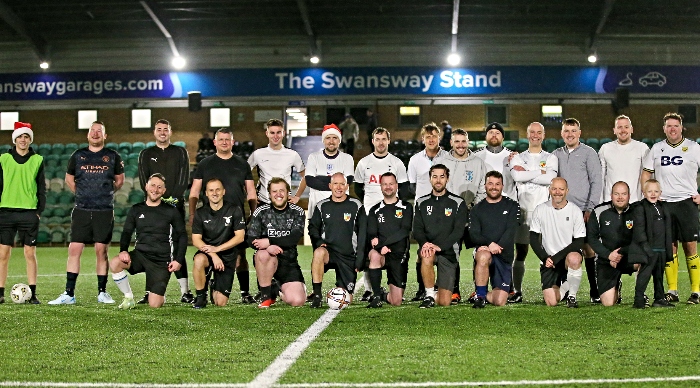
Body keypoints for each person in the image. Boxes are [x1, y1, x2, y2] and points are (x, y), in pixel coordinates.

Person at [49, 121, 124, 305]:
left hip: (104, 210)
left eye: (99, 131)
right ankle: (69, 293)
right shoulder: (78, 155)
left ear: (105, 136)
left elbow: (120, 181)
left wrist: (104, 193)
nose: (95, 133)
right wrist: (83, 194)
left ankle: (102, 292)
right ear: (88, 135)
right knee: (74, 249)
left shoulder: (112, 156)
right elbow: (69, 179)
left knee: (101, 251)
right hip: (82, 209)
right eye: (93, 131)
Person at [190, 128, 257, 304]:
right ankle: (204, 289)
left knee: (240, 256)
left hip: (235, 216)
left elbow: (250, 192)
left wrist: (253, 213)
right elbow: (194, 192)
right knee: (205, 250)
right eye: (221, 139)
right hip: (211, 219)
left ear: (232, 142)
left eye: (227, 139)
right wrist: (191, 213)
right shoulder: (205, 163)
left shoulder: (242, 164)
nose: (224, 142)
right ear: (215, 142)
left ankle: (244, 292)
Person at [641, 112, 700, 304]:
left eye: (676, 126)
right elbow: (646, 173)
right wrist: (646, 192)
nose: (672, 129)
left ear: (682, 127)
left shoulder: (693, 147)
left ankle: (696, 292)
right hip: (664, 203)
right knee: (669, 246)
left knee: (690, 245)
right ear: (664, 128)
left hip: (686, 202)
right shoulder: (657, 149)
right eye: (668, 126)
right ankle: (672, 290)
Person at [108, 174, 187, 309]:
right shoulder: (136, 209)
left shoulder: (171, 211)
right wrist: (123, 250)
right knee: (115, 263)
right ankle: (128, 297)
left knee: (154, 304)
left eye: (159, 187)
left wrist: (178, 260)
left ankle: (158, 293)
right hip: (141, 255)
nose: (155, 189)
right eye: (152, 185)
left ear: (163, 191)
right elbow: (127, 232)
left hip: (161, 260)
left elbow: (182, 235)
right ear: (146, 187)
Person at [136, 119, 192, 304]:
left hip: (175, 205)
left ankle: (185, 291)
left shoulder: (180, 152)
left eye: (165, 129)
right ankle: (149, 292)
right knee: (151, 247)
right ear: (154, 132)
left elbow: (184, 178)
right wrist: (155, 199)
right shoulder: (146, 154)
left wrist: (172, 198)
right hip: (152, 206)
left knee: (177, 245)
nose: (162, 132)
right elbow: (144, 179)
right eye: (159, 129)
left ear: (170, 132)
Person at [433, 128, 487, 304]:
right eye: (457, 141)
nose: (461, 145)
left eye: (463, 141)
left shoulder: (477, 162)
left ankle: (478, 291)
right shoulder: (441, 161)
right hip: (449, 215)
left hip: (473, 213)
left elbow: (482, 187)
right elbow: (437, 185)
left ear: (468, 142)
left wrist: (475, 206)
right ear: (451, 143)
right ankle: (454, 291)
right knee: (451, 252)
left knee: (479, 252)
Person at [354, 127, 409, 300]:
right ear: (372, 141)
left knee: (398, 250)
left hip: (393, 214)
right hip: (371, 214)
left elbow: (405, 188)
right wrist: (371, 203)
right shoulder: (364, 163)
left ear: (388, 141)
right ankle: (370, 289)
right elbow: (357, 188)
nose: (380, 142)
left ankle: (399, 286)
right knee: (371, 251)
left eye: (383, 139)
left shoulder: (397, 162)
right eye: (377, 139)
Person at [552, 118, 603, 303]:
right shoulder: (555, 154)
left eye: (573, 131)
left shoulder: (589, 153)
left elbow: (597, 182)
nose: (570, 134)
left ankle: (595, 291)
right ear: (562, 133)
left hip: (583, 211)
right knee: (564, 249)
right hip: (563, 211)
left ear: (579, 133)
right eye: (567, 131)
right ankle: (564, 289)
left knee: (589, 250)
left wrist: (590, 208)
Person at [509, 122, 558, 303]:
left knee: (546, 253)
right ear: (527, 135)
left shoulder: (551, 157)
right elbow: (517, 177)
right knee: (520, 252)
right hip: (522, 212)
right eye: (532, 132)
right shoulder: (518, 157)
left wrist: (528, 173)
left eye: (539, 132)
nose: (535, 136)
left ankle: (549, 289)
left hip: (543, 213)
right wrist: (540, 172)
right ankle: (517, 291)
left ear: (543, 135)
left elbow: (551, 179)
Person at [0, 122, 45, 304]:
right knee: (3, 254)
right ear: (15, 139)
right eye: (20, 136)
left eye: (26, 137)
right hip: (6, 212)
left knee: (29, 253)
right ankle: (0, 292)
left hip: (29, 212)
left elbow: (41, 188)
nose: (23, 140)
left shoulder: (38, 160)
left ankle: (32, 293)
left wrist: (38, 211)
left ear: (30, 140)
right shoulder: (3, 159)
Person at [413, 164, 469, 308]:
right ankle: (429, 295)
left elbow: (458, 232)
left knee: (444, 302)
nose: (438, 180)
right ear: (430, 179)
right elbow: (417, 229)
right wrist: (425, 243)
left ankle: (437, 294)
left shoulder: (458, 202)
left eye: (442, 176)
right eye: (435, 176)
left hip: (448, 252)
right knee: (426, 254)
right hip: (429, 250)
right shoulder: (421, 202)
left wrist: (440, 246)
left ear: (447, 179)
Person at [247, 177, 307, 308]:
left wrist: (269, 242)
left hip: (289, 263)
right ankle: (266, 296)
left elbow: (294, 238)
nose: (278, 194)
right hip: (267, 260)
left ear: (287, 193)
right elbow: (250, 239)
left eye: (282, 191)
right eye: (274, 191)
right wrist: (268, 248)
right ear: (269, 194)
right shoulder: (261, 212)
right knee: (262, 255)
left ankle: (277, 289)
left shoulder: (297, 212)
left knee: (298, 301)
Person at [308, 173, 366, 308]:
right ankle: (317, 296)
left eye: (342, 184)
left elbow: (363, 232)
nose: (338, 187)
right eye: (335, 184)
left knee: (346, 299)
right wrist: (317, 241)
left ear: (347, 186)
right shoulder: (322, 206)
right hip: (329, 252)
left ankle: (339, 288)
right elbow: (313, 227)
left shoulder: (356, 205)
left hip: (348, 256)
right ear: (330, 186)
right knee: (318, 253)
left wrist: (360, 258)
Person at [529, 177, 585, 308]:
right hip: (549, 261)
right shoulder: (540, 209)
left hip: (565, 259)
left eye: (561, 189)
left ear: (567, 191)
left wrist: (556, 258)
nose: (557, 192)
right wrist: (545, 258)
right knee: (551, 302)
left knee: (574, 258)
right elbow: (533, 238)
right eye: (554, 188)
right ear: (549, 190)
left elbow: (579, 242)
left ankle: (572, 296)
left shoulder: (575, 211)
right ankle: (567, 285)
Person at [191, 178, 246, 308]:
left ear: (223, 192)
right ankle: (201, 296)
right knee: (198, 259)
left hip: (227, 256)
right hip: (208, 254)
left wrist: (218, 249)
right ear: (206, 193)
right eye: (211, 190)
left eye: (217, 190)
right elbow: (196, 240)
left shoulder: (234, 210)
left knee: (220, 303)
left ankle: (213, 284)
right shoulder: (200, 213)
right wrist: (213, 254)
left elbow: (240, 237)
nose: (214, 193)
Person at [468, 171, 520, 308]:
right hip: (486, 251)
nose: (494, 187)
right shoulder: (477, 209)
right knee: (483, 256)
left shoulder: (512, 206)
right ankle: (480, 296)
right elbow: (473, 234)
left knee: (500, 301)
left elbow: (511, 230)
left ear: (502, 186)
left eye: (497, 184)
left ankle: (484, 294)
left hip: (504, 255)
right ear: (485, 186)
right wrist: (489, 245)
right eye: (490, 184)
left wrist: (498, 246)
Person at [365, 172, 413, 308]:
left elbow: (404, 231)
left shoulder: (407, 207)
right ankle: (376, 296)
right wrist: (380, 248)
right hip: (381, 253)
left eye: (391, 184)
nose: (388, 187)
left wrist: (383, 244)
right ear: (381, 187)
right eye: (385, 184)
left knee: (396, 301)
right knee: (374, 255)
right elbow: (372, 235)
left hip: (399, 255)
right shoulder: (375, 210)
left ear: (396, 186)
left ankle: (383, 295)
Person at [587, 181, 638, 307]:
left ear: (629, 196)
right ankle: (616, 284)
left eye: (623, 194)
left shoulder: (637, 212)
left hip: (629, 257)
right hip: (606, 261)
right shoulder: (599, 211)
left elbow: (641, 239)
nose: (620, 197)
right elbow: (592, 238)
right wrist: (608, 255)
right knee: (608, 303)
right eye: (617, 194)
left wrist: (621, 252)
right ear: (611, 195)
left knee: (645, 259)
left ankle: (640, 295)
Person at [628, 179, 674, 308]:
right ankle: (638, 300)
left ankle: (659, 298)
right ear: (643, 192)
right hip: (649, 249)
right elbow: (639, 230)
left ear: (660, 192)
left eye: (656, 191)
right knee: (645, 274)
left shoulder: (663, 207)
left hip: (661, 248)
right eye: (649, 191)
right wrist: (646, 248)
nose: (653, 194)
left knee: (659, 275)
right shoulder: (640, 208)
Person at [248, 119, 306, 205]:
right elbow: (244, 174)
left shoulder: (292, 154)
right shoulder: (258, 154)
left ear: (283, 133)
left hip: (285, 203)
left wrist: (297, 196)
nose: (275, 136)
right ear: (267, 134)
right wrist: (251, 194)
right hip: (263, 203)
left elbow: (306, 176)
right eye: (272, 133)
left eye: (278, 132)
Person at [303, 124, 355, 219]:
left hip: (340, 209)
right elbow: (310, 181)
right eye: (328, 138)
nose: (331, 141)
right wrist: (337, 184)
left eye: (335, 138)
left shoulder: (347, 158)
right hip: (317, 207)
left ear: (339, 140)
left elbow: (348, 180)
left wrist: (320, 178)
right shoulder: (313, 157)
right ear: (323, 140)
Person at [599, 115, 649, 203]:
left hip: (634, 202)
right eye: (619, 127)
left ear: (631, 129)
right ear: (614, 130)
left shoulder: (642, 148)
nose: (623, 130)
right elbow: (600, 177)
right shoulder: (605, 148)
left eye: (626, 127)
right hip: (610, 202)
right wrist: (600, 202)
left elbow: (647, 176)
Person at [408, 122, 448, 200]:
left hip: (444, 206)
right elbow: (412, 186)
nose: (431, 140)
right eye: (428, 137)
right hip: (422, 207)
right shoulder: (414, 159)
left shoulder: (449, 158)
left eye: (434, 136)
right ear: (423, 139)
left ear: (439, 138)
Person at [474, 122, 515, 198]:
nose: (494, 135)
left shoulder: (512, 156)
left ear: (503, 137)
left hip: (508, 202)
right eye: (491, 132)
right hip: (483, 202)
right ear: (486, 137)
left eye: (497, 133)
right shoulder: (476, 156)